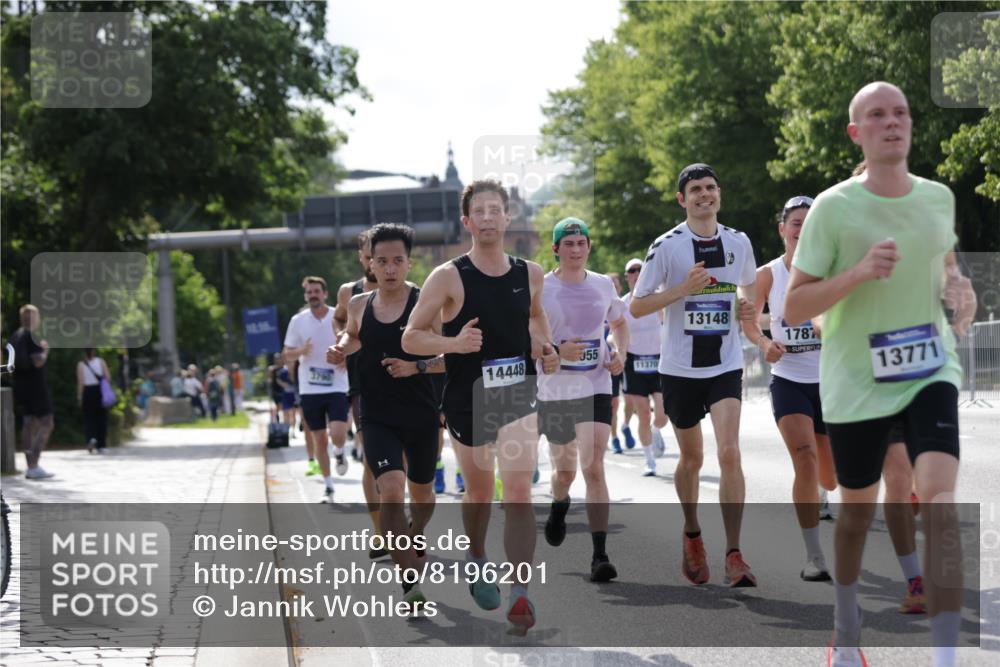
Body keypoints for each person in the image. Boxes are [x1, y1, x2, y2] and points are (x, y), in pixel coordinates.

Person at [784, 81, 976, 667]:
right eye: (877, 115)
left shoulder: (939, 198)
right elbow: (795, 307)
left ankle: (946, 657)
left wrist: (959, 293)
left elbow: (944, 270)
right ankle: (846, 631)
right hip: (855, 380)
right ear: (856, 132)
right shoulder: (833, 207)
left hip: (929, 366)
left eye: (900, 113)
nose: (892, 122)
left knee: (938, 498)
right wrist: (859, 273)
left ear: (911, 124)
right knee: (855, 514)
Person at [403, 179, 559, 635]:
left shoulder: (530, 273)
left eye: (497, 209)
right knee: (478, 492)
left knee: (518, 492)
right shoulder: (448, 276)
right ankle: (475, 556)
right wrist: (453, 342)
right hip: (467, 398)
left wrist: (544, 344)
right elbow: (411, 336)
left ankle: (521, 593)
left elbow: (535, 316)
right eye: (480, 211)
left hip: (516, 394)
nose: (489, 217)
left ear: (508, 218)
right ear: (467, 221)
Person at [630, 163, 758, 588]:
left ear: (719, 194)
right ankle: (692, 533)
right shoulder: (667, 246)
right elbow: (637, 306)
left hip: (725, 363)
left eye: (711, 188)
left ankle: (735, 553)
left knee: (729, 453)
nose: (705, 195)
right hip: (680, 369)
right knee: (692, 459)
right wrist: (681, 291)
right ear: (682, 200)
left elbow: (748, 290)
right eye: (696, 190)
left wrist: (745, 309)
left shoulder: (739, 242)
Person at [328, 222, 444, 611]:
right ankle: (409, 582)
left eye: (397, 261)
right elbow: (355, 333)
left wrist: (417, 367)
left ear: (410, 263)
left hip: (422, 412)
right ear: (370, 265)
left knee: (424, 496)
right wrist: (341, 346)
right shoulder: (360, 304)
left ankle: (416, 531)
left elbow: (455, 357)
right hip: (376, 413)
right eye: (382, 261)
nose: (390, 268)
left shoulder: (427, 304)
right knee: (391, 490)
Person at [741, 196, 835, 581]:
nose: (802, 228)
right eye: (796, 222)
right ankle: (814, 557)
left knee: (830, 476)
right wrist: (765, 345)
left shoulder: (832, 270)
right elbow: (747, 318)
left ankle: (825, 492)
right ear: (783, 229)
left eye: (810, 222)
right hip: (790, 378)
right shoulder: (768, 275)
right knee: (805, 460)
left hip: (831, 380)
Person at [538, 218, 628, 582]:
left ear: (589, 247)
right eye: (569, 243)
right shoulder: (540, 288)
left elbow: (620, 324)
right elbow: (526, 334)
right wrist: (555, 350)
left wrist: (619, 352)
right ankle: (559, 503)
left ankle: (600, 555)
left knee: (593, 468)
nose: (576, 249)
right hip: (555, 391)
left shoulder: (603, 285)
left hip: (595, 384)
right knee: (565, 472)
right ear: (556, 249)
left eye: (581, 243)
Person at [334, 230, 385, 553]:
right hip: (362, 382)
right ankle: (380, 530)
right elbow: (340, 321)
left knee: (403, 461)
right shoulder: (348, 293)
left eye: (379, 258)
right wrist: (343, 344)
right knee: (370, 459)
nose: (374, 264)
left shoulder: (405, 290)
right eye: (369, 257)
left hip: (401, 377)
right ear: (361, 256)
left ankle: (401, 514)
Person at [284, 276, 350, 502]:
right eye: (309, 292)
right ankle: (329, 485)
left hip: (337, 383)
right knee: (319, 439)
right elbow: (287, 353)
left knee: (339, 433)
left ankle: (340, 452)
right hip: (310, 388)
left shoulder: (338, 316)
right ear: (306, 296)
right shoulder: (298, 321)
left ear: (325, 294)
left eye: (316, 291)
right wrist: (301, 350)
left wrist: (346, 357)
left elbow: (354, 341)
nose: (313, 295)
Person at [621, 257, 669, 475]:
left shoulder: (655, 301)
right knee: (643, 413)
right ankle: (649, 460)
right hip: (634, 362)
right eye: (632, 270)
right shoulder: (622, 304)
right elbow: (615, 330)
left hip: (658, 360)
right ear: (627, 276)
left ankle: (656, 431)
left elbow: (668, 322)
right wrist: (615, 347)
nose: (636, 273)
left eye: (640, 270)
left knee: (662, 415)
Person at [8, 304, 55, 479]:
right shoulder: (31, 336)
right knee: (47, 423)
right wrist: (45, 350)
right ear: (33, 318)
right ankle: (33, 464)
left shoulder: (15, 336)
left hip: (21, 388)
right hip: (36, 389)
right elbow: (38, 362)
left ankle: (31, 465)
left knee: (28, 425)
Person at [77, 348, 112, 453]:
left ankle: (91, 438)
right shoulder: (101, 362)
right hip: (99, 391)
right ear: (94, 351)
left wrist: (79, 396)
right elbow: (108, 377)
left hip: (88, 392)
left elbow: (81, 382)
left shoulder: (81, 364)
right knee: (101, 418)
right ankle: (102, 445)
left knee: (89, 418)